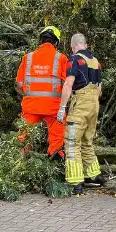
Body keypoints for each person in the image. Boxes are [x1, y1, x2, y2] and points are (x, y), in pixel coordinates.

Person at [57, 34, 103, 195]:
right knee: (87, 141)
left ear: (72, 46)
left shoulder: (75, 59)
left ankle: (76, 182)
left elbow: (68, 84)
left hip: (81, 105)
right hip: (94, 105)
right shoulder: (95, 61)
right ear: (85, 44)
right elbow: (100, 87)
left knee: (72, 143)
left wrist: (62, 107)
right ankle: (94, 175)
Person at [15, 26, 70, 158]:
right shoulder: (61, 58)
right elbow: (67, 85)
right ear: (56, 42)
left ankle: (19, 160)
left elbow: (19, 83)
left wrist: (29, 94)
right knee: (57, 134)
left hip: (31, 105)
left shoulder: (27, 58)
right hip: (53, 107)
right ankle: (56, 156)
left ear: (40, 40)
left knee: (24, 136)